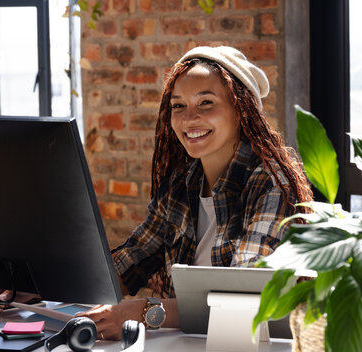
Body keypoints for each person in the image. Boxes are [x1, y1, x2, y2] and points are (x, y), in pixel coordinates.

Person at [76, 45, 313, 340]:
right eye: (178, 106)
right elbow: (130, 262)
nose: (189, 119)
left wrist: (143, 312)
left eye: (206, 103)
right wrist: (35, 285)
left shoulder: (273, 184)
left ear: (242, 111)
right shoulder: (182, 184)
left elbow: (240, 297)